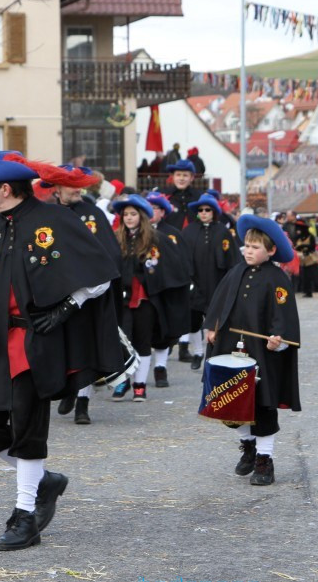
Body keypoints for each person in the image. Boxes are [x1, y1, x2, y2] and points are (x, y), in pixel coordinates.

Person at [0, 151, 122, 551]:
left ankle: (25, 515)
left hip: (36, 341)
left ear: (4, 189)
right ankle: (44, 479)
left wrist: (67, 307)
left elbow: (101, 274)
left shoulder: (54, 219)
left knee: (29, 429)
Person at [203, 214, 301, 485]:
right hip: (231, 348)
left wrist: (279, 340)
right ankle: (248, 447)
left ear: (270, 251)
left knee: (263, 406)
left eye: (255, 247)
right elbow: (219, 302)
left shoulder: (277, 279)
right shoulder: (235, 272)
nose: (248, 250)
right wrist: (212, 326)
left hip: (262, 354)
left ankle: (264, 460)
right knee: (234, 401)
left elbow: (284, 316)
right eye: (246, 245)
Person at [47, 163, 121, 424]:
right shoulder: (49, 214)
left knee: (87, 349)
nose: (77, 189)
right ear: (57, 188)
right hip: (58, 293)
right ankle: (68, 389)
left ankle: (83, 404)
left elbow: (109, 254)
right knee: (64, 347)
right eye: (70, 185)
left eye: (79, 184)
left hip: (88, 294)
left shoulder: (93, 214)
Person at [109, 194, 191, 400]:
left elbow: (172, 267)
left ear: (141, 216)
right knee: (122, 342)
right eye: (125, 214)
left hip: (145, 299)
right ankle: (123, 382)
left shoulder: (156, 239)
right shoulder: (115, 239)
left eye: (133, 214)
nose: (129, 218)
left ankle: (140, 385)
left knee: (143, 342)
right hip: (123, 300)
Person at [180, 193, 238, 371]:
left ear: (214, 212)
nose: (204, 213)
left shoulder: (223, 231)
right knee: (194, 320)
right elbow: (181, 258)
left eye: (207, 210)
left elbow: (232, 258)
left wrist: (231, 281)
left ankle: (213, 354)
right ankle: (197, 352)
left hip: (217, 283)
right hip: (195, 283)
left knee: (216, 320)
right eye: (200, 210)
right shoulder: (188, 232)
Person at [160, 160, 201, 231]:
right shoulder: (163, 196)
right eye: (178, 175)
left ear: (191, 178)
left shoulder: (199, 197)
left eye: (185, 175)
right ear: (173, 177)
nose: (181, 179)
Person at [293, 220, 318, 297]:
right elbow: (295, 247)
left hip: (311, 259)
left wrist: (304, 247)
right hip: (303, 260)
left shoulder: (310, 236)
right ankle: (308, 292)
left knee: (315, 275)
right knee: (305, 277)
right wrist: (301, 248)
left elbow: (312, 246)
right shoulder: (297, 237)